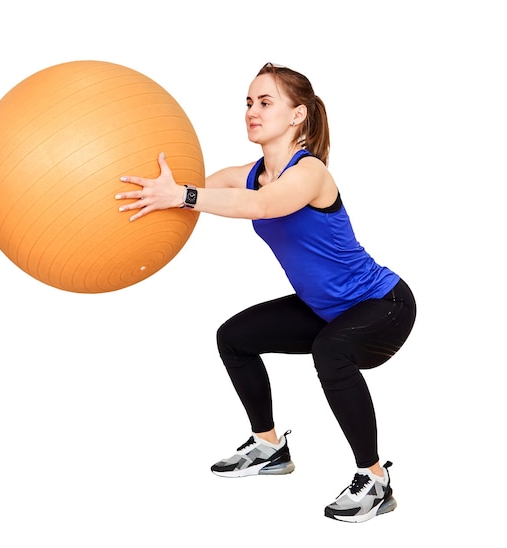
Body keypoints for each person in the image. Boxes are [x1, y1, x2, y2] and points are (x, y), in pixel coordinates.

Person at [116, 62, 417, 523]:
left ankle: (375, 481)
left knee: (331, 350)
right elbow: (190, 190)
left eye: (265, 102)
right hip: (325, 309)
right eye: (249, 103)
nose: (252, 111)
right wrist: (145, 191)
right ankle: (269, 447)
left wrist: (184, 196)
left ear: (298, 115)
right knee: (233, 337)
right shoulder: (250, 172)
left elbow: (257, 206)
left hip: (383, 305)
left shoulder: (310, 172)